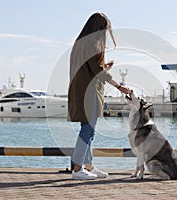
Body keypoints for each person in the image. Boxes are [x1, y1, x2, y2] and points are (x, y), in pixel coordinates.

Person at [68, 12, 131, 180]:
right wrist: (119, 86)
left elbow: (92, 70)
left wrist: (103, 66)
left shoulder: (80, 44)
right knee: (87, 132)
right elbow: (98, 72)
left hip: (80, 92)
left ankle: (88, 166)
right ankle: (77, 169)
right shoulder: (93, 45)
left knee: (88, 131)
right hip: (89, 95)